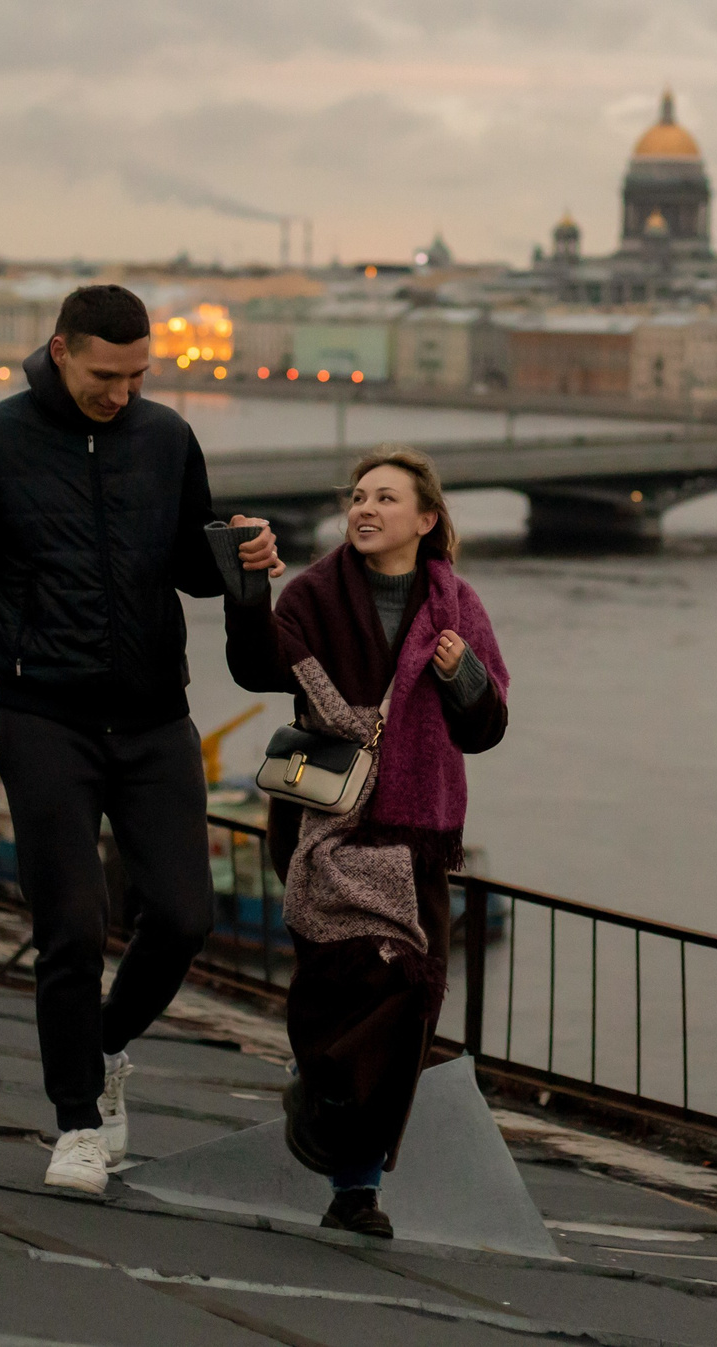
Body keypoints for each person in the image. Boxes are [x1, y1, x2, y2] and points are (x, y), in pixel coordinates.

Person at [0, 284, 281, 1194]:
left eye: (139, 374)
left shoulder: (166, 438)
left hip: (157, 719)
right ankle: (77, 1122)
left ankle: (106, 1046)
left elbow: (190, 566)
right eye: (107, 375)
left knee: (186, 915)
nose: (124, 392)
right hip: (46, 718)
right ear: (61, 351)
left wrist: (243, 552)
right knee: (72, 925)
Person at [225, 445, 507, 1239]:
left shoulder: (460, 608)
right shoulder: (314, 592)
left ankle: (354, 1179)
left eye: (386, 497)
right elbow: (255, 666)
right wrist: (248, 592)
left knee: (412, 998)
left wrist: (464, 676)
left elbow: (486, 728)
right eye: (358, 495)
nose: (365, 507)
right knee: (339, 984)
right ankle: (330, 1117)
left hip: (417, 839)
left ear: (426, 519)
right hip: (327, 826)